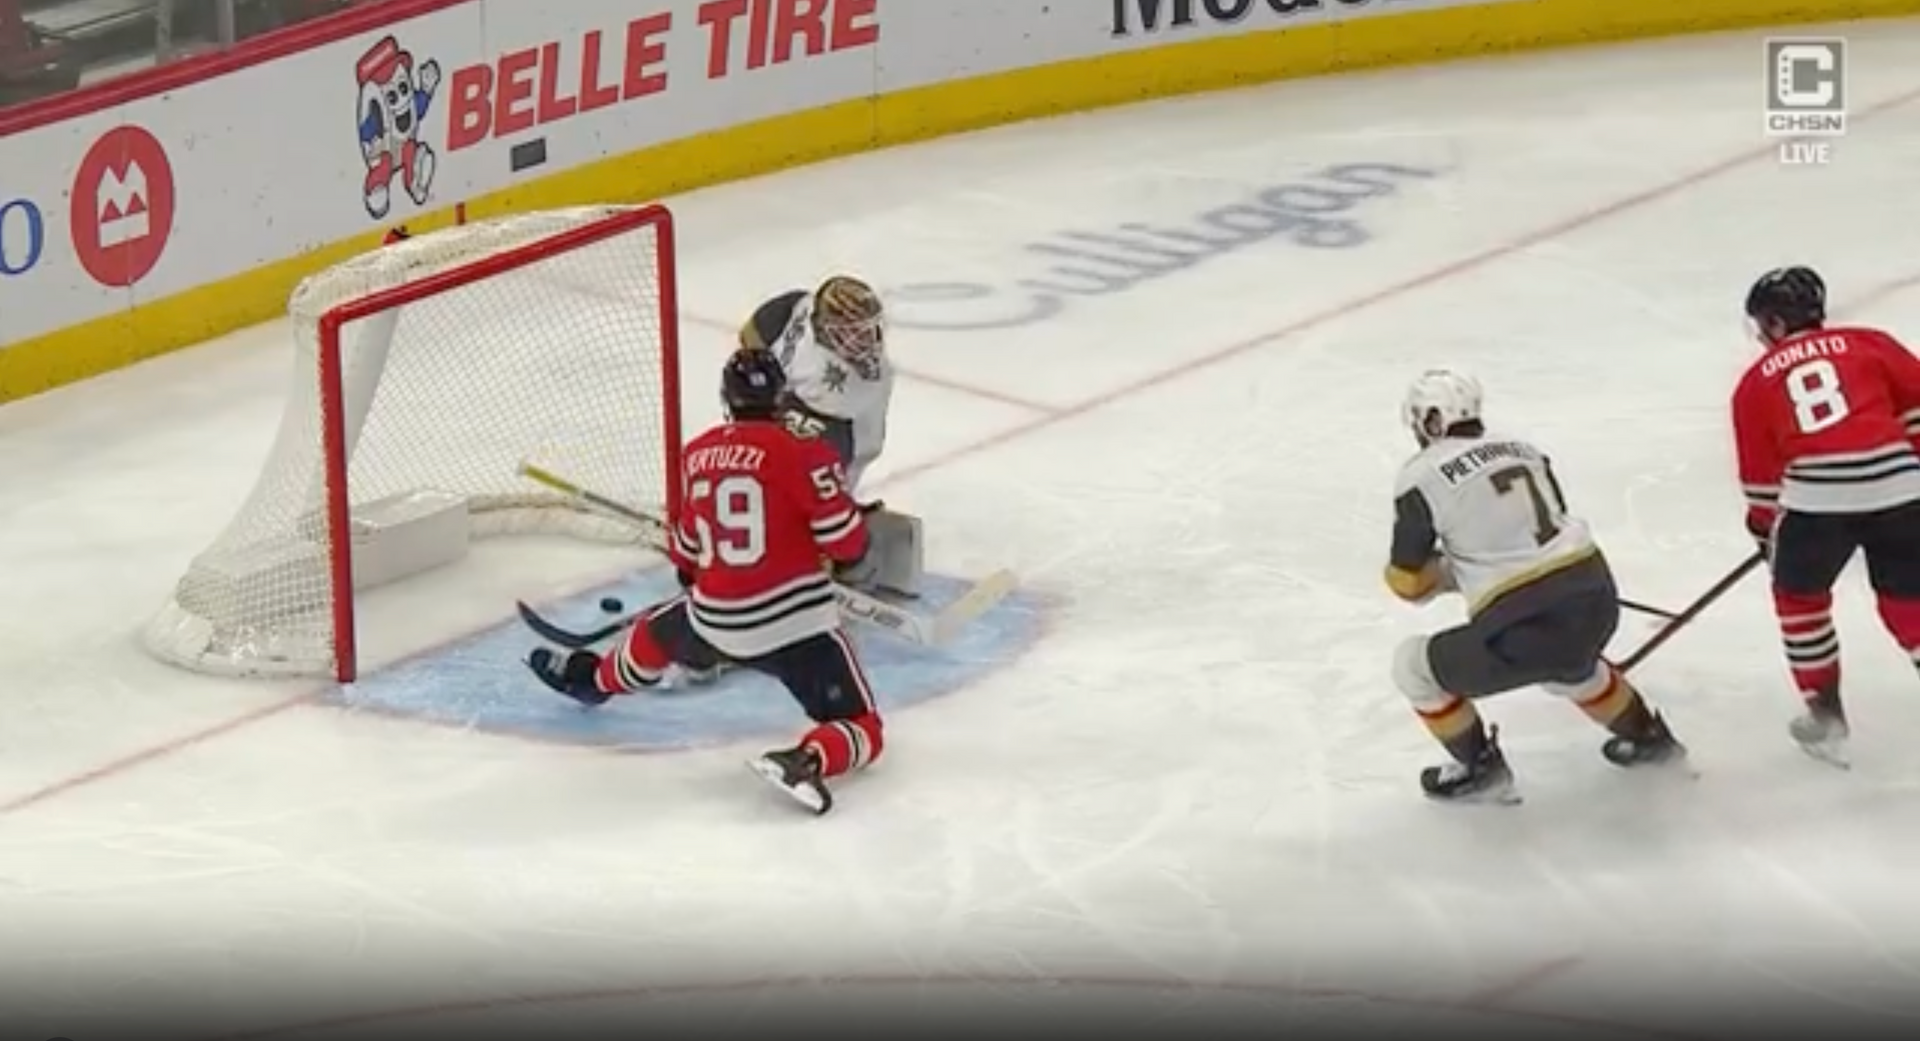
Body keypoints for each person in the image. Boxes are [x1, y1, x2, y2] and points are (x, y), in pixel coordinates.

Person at [526, 347, 885, 814]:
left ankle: (593, 679)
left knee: (656, 633)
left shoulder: (696, 454)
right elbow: (848, 546)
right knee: (864, 727)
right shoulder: (807, 453)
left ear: (727, 398)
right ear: (780, 398)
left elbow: (686, 562)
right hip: (798, 631)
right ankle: (806, 760)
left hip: (716, 621)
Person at [1385, 369, 1684, 803]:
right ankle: (1650, 739)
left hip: (1526, 627)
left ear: (1431, 421)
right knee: (1572, 664)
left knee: (1412, 667)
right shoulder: (1525, 449)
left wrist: (1445, 574)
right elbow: (1539, 533)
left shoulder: (1420, 475)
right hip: (1595, 595)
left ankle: (1480, 770)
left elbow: (1408, 583)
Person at [1730, 266, 1920, 766]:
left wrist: (1765, 529)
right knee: (1909, 598)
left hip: (1818, 500)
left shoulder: (1755, 381)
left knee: (1800, 600)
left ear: (1775, 323)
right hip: (1902, 487)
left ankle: (1825, 713)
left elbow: (1761, 476)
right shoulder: (1871, 344)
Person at [736, 276, 922, 598]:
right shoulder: (795, 308)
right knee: (789, 470)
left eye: (868, 330)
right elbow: (752, 333)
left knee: (815, 470)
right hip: (795, 406)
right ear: (823, 329)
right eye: (853, 332)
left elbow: (845, 448)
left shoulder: (862, 382)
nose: (866, 341)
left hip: (834, 424)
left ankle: (814, 529)